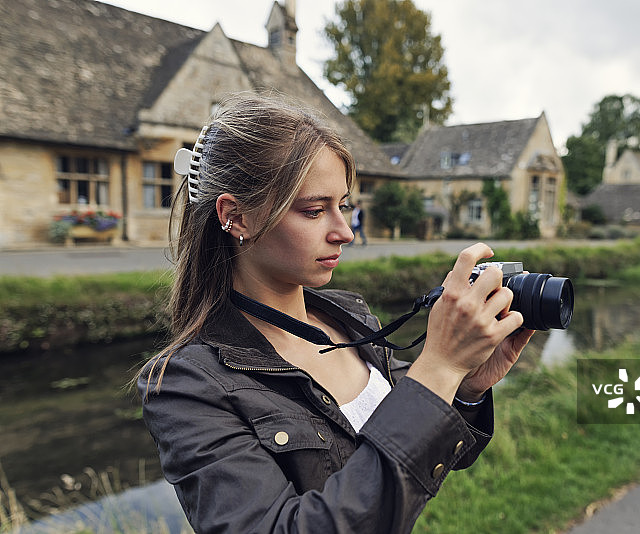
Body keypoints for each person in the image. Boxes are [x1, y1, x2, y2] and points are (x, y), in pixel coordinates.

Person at [137, 92, 534, 534]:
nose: (344, 232)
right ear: (237, 217)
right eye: (314, 210)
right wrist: (439, 368)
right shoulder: (185, 385)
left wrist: (467, 385)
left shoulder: (350, 318)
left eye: (342, 205)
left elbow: (423, 457)